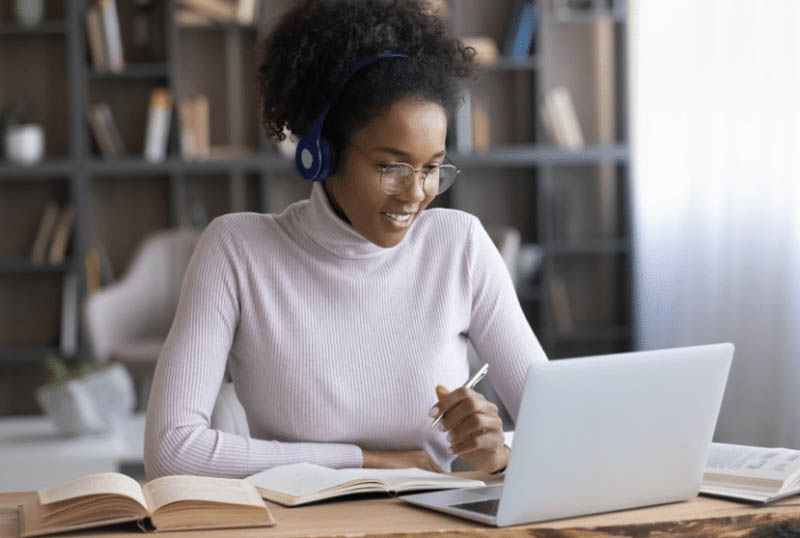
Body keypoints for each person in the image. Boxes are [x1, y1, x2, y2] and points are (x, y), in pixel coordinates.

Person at [144, 0, 547, 480]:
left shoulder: (460, 246)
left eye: (432, 168)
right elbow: (171, 450)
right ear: (322, 153)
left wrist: (498, 454)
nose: (416, 194)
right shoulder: (237, 251)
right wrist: (365, 462)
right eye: (391, 167)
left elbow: (559, 430)